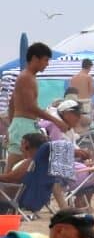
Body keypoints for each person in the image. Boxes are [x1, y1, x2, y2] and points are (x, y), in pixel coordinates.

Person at [6, 42, 68, 172]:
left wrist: (12, 125)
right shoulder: (26, 77)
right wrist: (55, 120)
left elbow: (12, 102)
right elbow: (30, 107)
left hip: (24, 124)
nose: (47, 64)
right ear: (35, 58)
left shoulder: (28, 77)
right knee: (13, 170)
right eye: (45, 60)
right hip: (23, 125)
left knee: (29, 167)